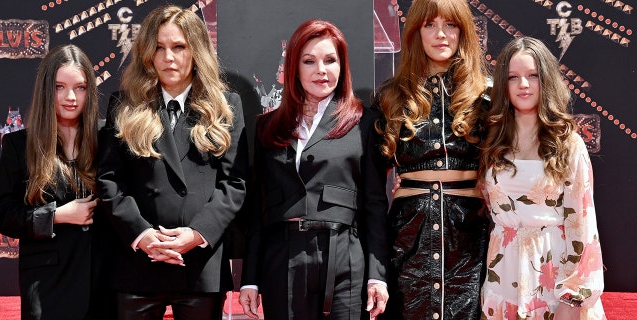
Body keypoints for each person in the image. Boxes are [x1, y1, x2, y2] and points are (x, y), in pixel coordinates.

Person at [96, 5, 248, 320]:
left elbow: (234, 184)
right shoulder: (124, 105)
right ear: (147, 54)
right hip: (137, 264)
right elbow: (110, 180)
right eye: (159, 48)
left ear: (196, 51)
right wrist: (142, 235)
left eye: (179, 47)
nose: (168, 57)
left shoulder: (225, 106)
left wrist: (196, 234)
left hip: (199, 266)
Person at [239, 19, 390, 320]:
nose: (321, 70)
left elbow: (374, 203)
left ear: (342, 66)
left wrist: (377, 274)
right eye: (309, 61)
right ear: (294, 67)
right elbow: (258, 207)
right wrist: (250, 277)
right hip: (282, 258)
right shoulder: (267, 127)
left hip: (345, 255)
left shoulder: (365, 122)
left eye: (330, 60)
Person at [374, 0, 491, 319]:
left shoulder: (488, 97)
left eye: (450, 24)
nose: (441, 34)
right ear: (415, 32)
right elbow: (368, 184)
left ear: (464, 31)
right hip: (409, 231)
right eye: (430, 25)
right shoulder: (391, 96)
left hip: (471, 233)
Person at [479, 36, 606, 320]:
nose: (523, 85)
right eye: (513, 77)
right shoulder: (492, 141)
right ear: (503, 84)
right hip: (503, 275)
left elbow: (582, 226)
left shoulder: (568, 143)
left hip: (554, 276)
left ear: (546, 79)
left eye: (533, 75)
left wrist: (572, 299)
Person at [0, 44, 100, 319]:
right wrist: (56, 215)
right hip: (46, 283)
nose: (70, 97)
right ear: (46, 89)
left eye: (80, 87)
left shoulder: (107, 142)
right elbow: (4, 215)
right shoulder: (20, 146)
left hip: (101, 283)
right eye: (59, 87)